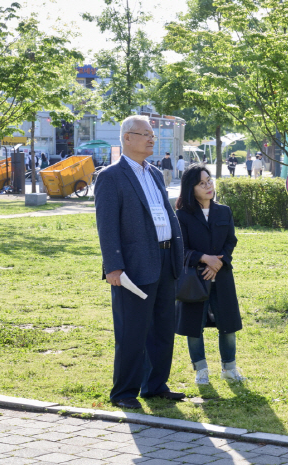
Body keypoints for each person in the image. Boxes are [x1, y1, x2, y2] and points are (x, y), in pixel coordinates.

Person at [94, 115, 186, 410]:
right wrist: (113, 267)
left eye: (152, 134)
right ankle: (124, 392)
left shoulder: (156, 174)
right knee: (132, 330)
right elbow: (106, 226)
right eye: (145, 134)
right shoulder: (111, 176)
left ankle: (155, 385)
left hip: (164, 258)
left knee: (162, 327)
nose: (151, 139)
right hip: (132, 266)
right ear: (127, 138)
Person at [175, 164, 245, 385]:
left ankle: (229, 369)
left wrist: (217, 263)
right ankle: (201, 370)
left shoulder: (223, 211)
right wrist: (204, 258)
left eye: (210, 181)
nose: (208, 186)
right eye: (201, 183)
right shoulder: (182, 216)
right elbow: (181, 249)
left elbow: (230, 241)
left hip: (222, 276)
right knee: (194, 326)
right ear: (190, 188)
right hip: (194, 279)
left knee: (228, 324)